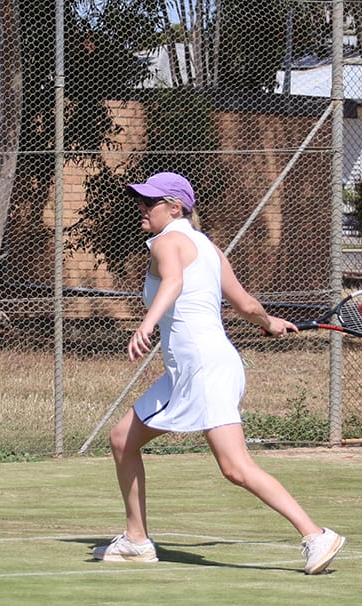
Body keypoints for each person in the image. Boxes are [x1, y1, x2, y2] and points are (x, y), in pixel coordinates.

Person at [92, 171, 345, 575]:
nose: (142, 207)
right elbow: (245, 305)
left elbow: (172, 283)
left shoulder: (167, 241)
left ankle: (316, 535)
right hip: (189, 370)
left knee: (235, 467)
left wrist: (146, 324)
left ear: (175, 208)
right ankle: (137, 540)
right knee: (123, 439)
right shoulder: (207, 247)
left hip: (206, 368)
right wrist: (269, 320)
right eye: (141, 199)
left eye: (150, 201)